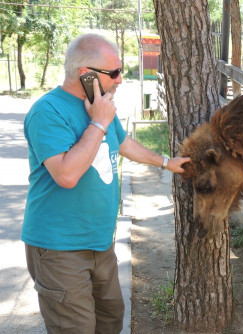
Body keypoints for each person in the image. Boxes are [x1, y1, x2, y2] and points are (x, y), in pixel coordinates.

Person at [22, 33, 190, 333]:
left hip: (100, 242)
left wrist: (166, 162)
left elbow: (123, 143)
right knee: (75, 328)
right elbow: (66, 175)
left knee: (110, 321)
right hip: (60, 249)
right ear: (85, 74)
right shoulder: (48, 111)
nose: (120, 80)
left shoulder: (100, 104)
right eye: (113, 73)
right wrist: (97, 123)